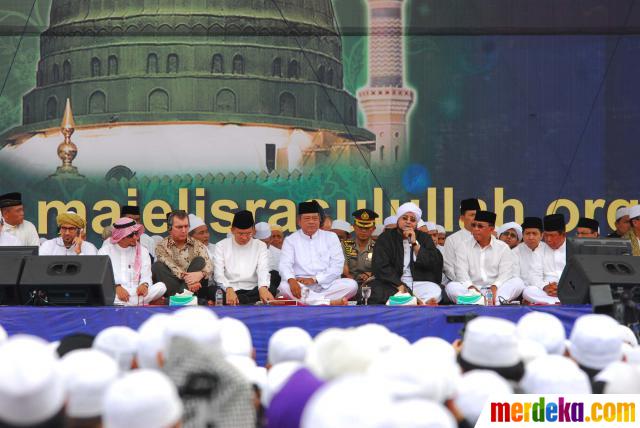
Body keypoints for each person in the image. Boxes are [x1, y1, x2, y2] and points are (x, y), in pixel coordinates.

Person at [278, 200, 357, 305]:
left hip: (327, 284)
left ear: (320, 220)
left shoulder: (331, 237)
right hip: (301, 285)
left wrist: (314, 279)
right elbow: (285, 264)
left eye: (315, 218)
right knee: (284, 286)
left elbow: (337, 266)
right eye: (307, 218)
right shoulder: (290, 240)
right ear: (299, 221)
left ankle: (311, 301)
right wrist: (291, 280)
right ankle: (329, 302)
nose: (311, 222)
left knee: (352, 285)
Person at [368, 202, 443, 305]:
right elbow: (380, 265)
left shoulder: (424, 238)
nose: (408, 222)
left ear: (416, 224)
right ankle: (416, 302)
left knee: (435, 290)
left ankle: (406, 300)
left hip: (416, 283)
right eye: (404, 218)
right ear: (398, 220)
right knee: (377, 291)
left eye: (412, 220)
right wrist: (399, 284)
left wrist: (414, 243)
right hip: (392, 283)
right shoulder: (385, 238)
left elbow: (432, 262)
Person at [445, 210, 525, 305]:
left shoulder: (502, 247)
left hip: (496, 290)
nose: (475, 229)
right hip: (472, 290)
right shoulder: (463, 246)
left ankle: (484, 301)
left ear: (491, 229)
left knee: (518, 282)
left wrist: (495, 287)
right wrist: (471, 287)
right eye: (474, 225)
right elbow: (461, 272)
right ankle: (494, 302)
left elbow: (506, 273)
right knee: (451, 287)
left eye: (480, 226)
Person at [99, 218, 167, 305]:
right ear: (120, 237)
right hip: (114, 292)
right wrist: (116, 287)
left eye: (136, 233)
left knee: (161, 287)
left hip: (136, 292)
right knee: (102, 293)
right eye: (130, 235)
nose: (135, 237)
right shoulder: (105, 251)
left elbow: (146, 275)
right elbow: (103, 278)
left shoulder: (143, 251)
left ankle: (123, 303)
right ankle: (136, 302)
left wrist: (144, 285)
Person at [214, 211, 274, 305]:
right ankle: (244, 300)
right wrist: (228, 289)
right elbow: (218, 274)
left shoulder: (260, 245)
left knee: (272, 285)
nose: (244, 237)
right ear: (232, 230)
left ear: (254, 231)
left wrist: (263, 287)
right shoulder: (221, 246)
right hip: (229, 289)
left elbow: (263, 269)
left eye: (248, 233)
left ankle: (241, 300)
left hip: (253, 289)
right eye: (240, 233)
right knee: (212, 291)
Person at [153, 210, 213, 300]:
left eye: (186, 226)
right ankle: (183, 297)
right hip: (174, 283)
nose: (184, 230)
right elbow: (172, 267)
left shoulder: (197, 244)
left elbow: (209, 264)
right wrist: (191, 280)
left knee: (199, 260)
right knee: (157, 267)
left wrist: (200, 274)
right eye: (179, 227)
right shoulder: (161, 246)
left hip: (195, 288)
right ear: (169, 228)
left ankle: (178, 299)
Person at [522, 213, 566, 304]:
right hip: (547, 292)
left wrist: (563, 287)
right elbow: (534, 275)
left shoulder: (573, 248)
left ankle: (554, 302)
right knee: (528, 291)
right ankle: (555, 303)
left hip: (569, 290)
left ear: (563, 234)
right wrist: (545, 287)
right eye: (546, 235)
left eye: (552, 235)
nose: (548, 239)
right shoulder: (540, 249)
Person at [442, 198, 480, 282]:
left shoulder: (488, 238)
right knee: (453, 288)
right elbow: (448, 267)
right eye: (472, 215)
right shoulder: (452, 240)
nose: (476, 218)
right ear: (462, 218)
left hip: (484, 283)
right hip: (460, 283)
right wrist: (465, 283)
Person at [342, 209, 378, 287]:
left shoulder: (378, 247)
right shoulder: (345, 245)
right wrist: (351, 281)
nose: (363, 231)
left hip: (371, 284)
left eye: (367, 228)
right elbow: (344, 269)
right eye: (360, 227)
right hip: (348, 283)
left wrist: (370, 274)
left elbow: (381, 269)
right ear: (354, 227)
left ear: (373, 229)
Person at [512, 217, 545, 289]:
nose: (531, 237)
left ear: (541, 235)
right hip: (524, 291)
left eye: (534, 233)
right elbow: (515, 278)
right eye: (527, 233)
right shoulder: (515, 252)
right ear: (523, 235)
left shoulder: (548, 250)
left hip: (545, 289)